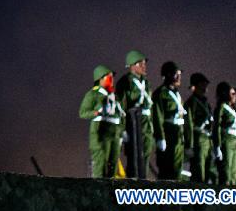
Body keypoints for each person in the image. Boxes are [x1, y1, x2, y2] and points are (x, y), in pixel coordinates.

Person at [79, 65, 124, 178]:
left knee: (113, 164)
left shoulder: (114, 96)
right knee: (101, 163)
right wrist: (96, 112)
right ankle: (99, 191)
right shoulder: (93, 94)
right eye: (109, 77)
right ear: (100, 79)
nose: (112, 80)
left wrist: (122, 131)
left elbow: (120, 114)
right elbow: (83, 112)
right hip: (101, 132)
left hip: (115, 132)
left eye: (112, 77)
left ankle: (111, 191)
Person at [117, 49, 153, 179]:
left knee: (146, 156)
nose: (144, 66)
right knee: (134, 159)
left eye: (144, 63)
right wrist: (122, 130)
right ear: (132, 65)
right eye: (140, 64)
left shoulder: (146, 82)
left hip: (146, 125)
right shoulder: (125, 82)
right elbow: (120, 107)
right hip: (133, 124)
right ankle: (133, 188)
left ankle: (144, 186)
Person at [152, 61, 189, 180]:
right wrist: (160, 138)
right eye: (175, 74)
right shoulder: (160, 94)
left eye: (179, 74)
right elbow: (157, 117)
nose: (179, 77)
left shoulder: (177, 94)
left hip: (178, 136)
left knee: (177, 172)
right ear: (167, 75)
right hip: (168, 136)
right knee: (166, 172)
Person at [184, 72, 216, 183]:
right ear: (196, 86)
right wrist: (189, 145)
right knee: (199, 173)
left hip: (207, 140)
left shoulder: (206, 103)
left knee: (207, 172)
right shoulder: (191, 103)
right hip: (198, 141)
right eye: (203, 84)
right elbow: (188, 125)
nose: (205, 86)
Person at [213, 82, 236, 185]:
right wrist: (217, 145)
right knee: (226, 173)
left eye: (235, 93)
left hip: (235, 142)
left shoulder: (233, 110)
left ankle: (233, 199)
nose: (235, 96)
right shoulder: (222, 107)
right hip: (226, 142)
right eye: (232, 93)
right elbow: (216, 127)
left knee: (234, 174)